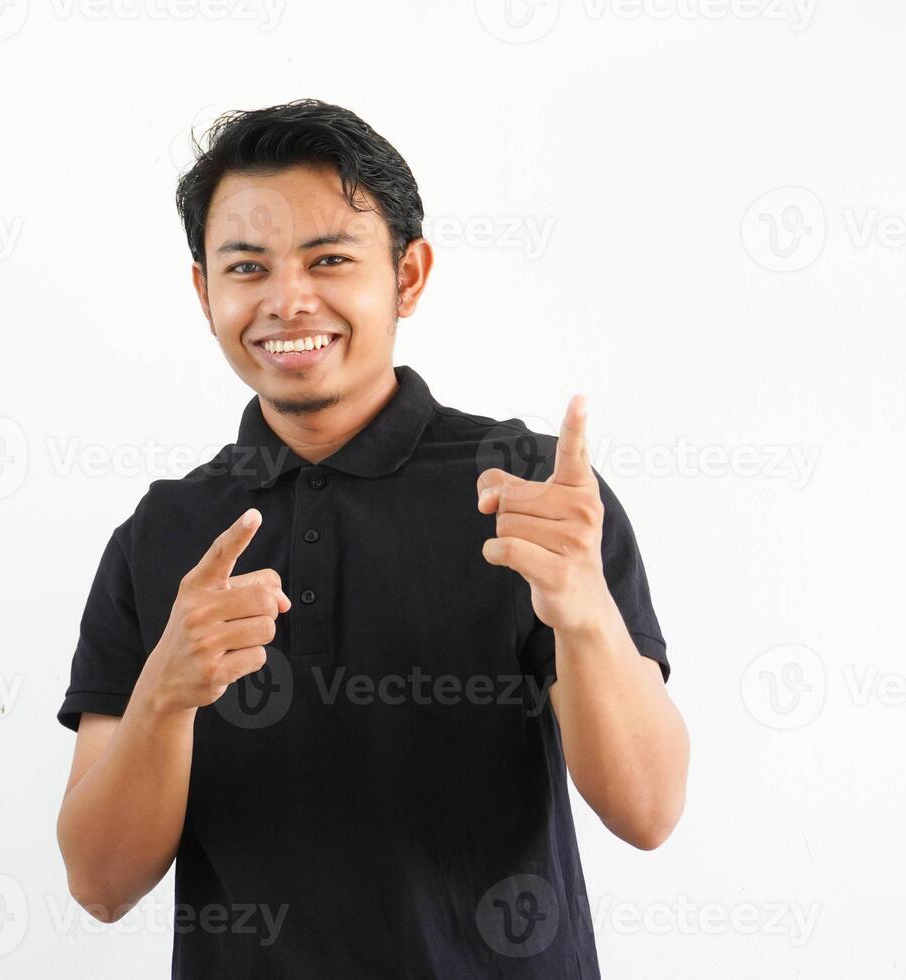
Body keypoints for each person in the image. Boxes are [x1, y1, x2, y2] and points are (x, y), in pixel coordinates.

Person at [55, 98, 689, 979]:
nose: (287, 300)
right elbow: (99, 882)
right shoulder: (163, 533)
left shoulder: (536, 495)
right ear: (205, 293)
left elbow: (649, 812)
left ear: (410, 275)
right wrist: (166, 690)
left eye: (330, 260)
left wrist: (584, 611)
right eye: (248, 266)